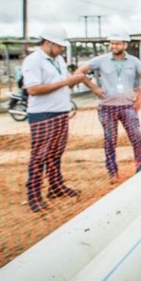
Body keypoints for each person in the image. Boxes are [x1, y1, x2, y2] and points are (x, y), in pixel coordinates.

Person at [22, 26, 89, 213]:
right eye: (59, 46)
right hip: (43, 115)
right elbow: (33, 89)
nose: (61, 49)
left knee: (56, 152)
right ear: (47, 43)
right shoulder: (33, 61)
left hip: (60, 111)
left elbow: (62, 81)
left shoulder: (58, 60)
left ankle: (56, 187)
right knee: (40, 156)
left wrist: (73, 79)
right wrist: (66, 82)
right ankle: (34, 196)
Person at [75, 31, 141, 184]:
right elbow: (79, 72)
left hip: (128, 106)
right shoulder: (101, 60)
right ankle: (112, 171)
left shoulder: (134, 61)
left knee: (136, 137)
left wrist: (139, 99)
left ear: (125, 45)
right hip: (107, 107)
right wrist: (94, 88)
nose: (113, 46)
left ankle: (140, 167)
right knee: (110, 140)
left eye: (117, 43)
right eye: (112, 43)